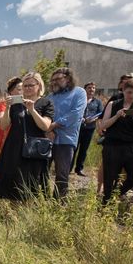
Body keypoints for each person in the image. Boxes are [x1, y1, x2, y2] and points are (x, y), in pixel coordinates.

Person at [0, 72, 54, 201]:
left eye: (30, 85)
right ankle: (13, 217)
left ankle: (27, 215)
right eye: (24, 86)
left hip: (34, 150)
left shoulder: (46, 103)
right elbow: (4, 126)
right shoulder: (16, 103)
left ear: (38, 85)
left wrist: (32, 110)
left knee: (30, 184)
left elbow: (45, 126)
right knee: (13, 184)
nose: (27, 88)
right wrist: (7, 108)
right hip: (14, 147)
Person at [100, 77, 133, 205]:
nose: (132, 95)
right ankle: (105, 205)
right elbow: (103, 125)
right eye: (129, 92)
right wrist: (117, 116)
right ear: (123, 90)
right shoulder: (113, 104)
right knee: (110, 177)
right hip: (113, 146)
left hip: (132, 146)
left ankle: (117, 193)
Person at [47, 67, 87, 198]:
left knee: (62, 175)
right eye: (53, 80)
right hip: (47, 139)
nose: (54, 82)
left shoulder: (79, 93)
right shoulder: (50, 97)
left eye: (58, 79)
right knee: (42, 172)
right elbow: (44, 114)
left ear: (68, 79)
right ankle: (41, 201)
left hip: (66, 140)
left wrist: (52, 126)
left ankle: (58, 205)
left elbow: (75, 114)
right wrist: (48, 129)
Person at [0, 77, 22, 170]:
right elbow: (1, 119)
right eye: (19, 89)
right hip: (4, 136)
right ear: (11, 91)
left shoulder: (27, 104)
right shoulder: (3, 104)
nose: (22, 91)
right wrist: (8, 106)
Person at [72, 82, 103, 176]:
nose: (91, 89)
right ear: (85, 89)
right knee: (74, 148)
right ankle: (69, 167)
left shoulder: (97, 102)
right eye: (89, 87)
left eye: (93, 88)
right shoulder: (79, 99)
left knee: (84, 149)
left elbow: (101, 113)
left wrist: (93, 119)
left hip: (90, 128)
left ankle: (79, 169)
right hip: (78, 127)